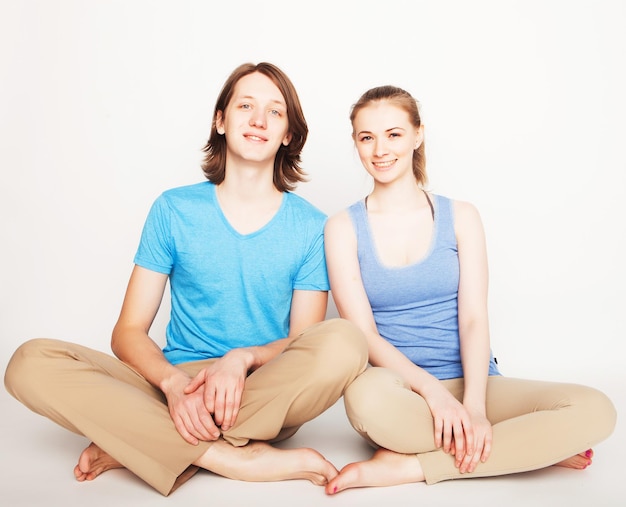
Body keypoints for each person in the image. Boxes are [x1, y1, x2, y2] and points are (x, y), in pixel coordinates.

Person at [4, 62, 367, 496]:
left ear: (288, 133)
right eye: (245, 106)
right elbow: (128, 331)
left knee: (345, 341)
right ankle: (229, 456)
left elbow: (301, 341)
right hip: (171, 386)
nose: (257, 120)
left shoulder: (311, 227)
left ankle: (138, 441)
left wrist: (241, 360)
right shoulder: (173, 210)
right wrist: (174, 385)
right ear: (221, 120)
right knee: (29, 361)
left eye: (274, 112)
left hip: (258, 392)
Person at [322, 85, 617, 495]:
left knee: (596, 410)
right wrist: (433, 395)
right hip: (401, 393)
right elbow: (364, 335)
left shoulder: (461, 216)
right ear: (355, 142)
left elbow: (474, 318)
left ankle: (408, 467)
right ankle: (523, 446)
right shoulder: (341, 228)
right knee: (364, 400)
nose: (380, 149)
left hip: (475, 383)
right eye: (366, 137)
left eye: (394, 134)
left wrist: (475, 407)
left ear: (417, 135)